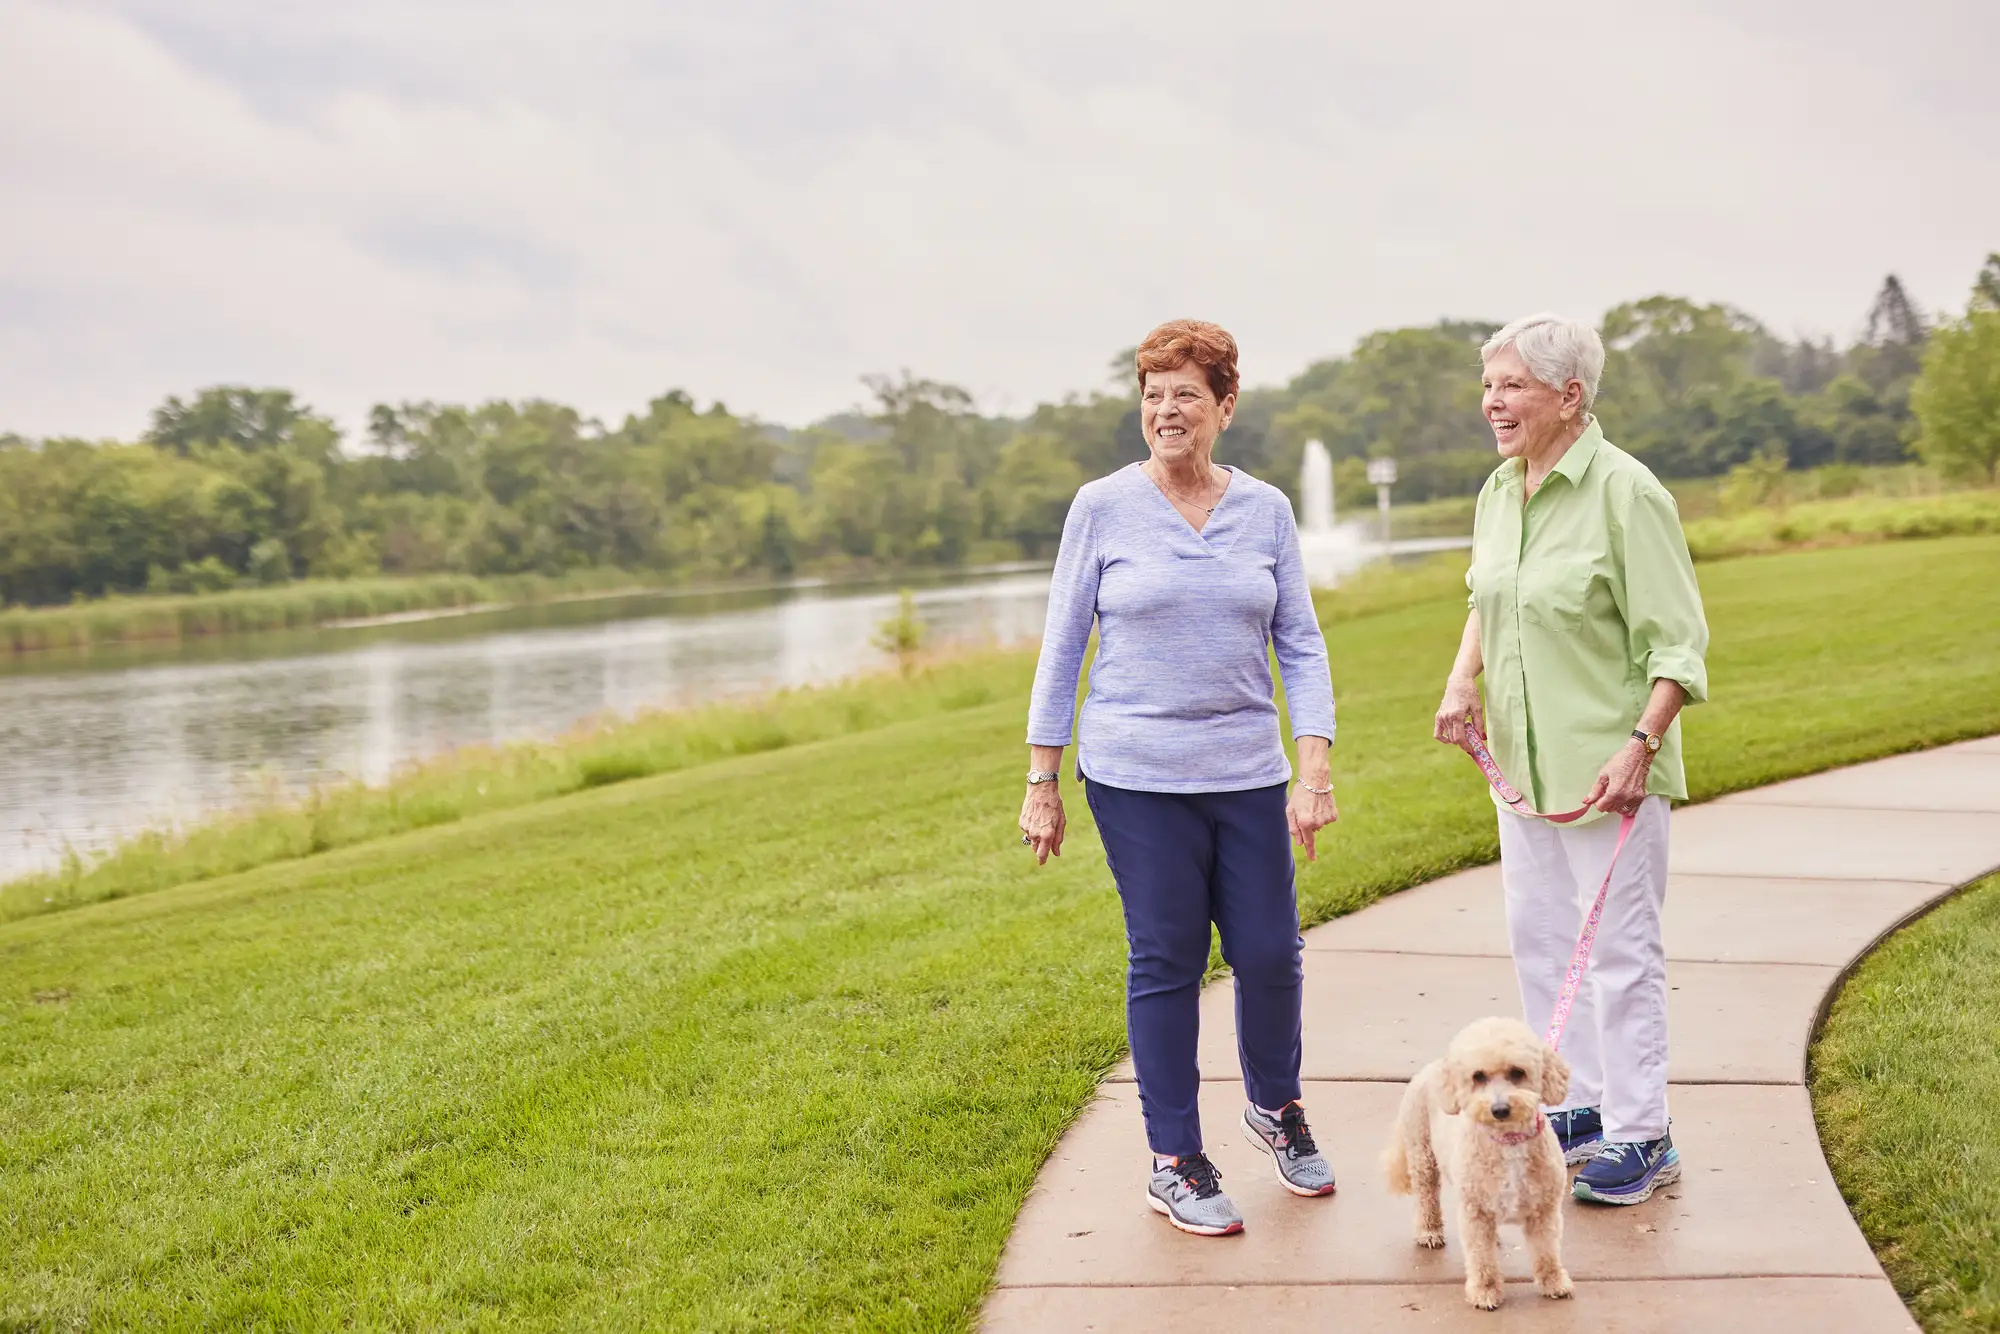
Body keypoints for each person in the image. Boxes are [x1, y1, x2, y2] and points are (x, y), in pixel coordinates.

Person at [1020, 319, 1339, 1237]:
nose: (1166, 412)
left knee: (1272, 953)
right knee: (1165, 959)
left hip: (1246, 769)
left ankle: (1276, 1110)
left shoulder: (1266, 511)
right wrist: (1042, 778)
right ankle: (1174, 1159)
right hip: (1134, 774)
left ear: (1225, 407)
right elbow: (1063, 644)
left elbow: (1300, 641)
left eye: (1185, 396)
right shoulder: (1103, 507)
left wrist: (1312, 761)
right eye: (1153, 396)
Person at [1433, 313, 1709, 1206]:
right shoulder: (1498, 492)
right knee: (1544, 944)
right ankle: (1580, 1105)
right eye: (1488, 385)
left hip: (1608, 770)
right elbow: (1489, 598)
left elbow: (1679, 644)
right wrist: (1460, 681)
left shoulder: (1628, 494)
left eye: (1511, 385)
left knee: (1621, 955)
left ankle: (1643, 1131)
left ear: (1570, 394)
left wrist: (1641, 746)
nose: (1493, 402)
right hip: (1524, 771)